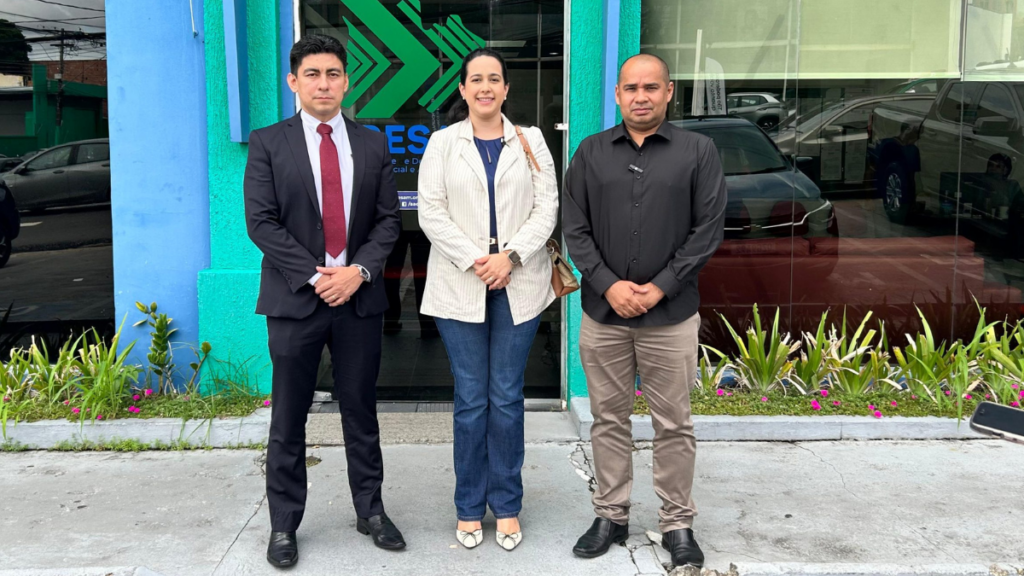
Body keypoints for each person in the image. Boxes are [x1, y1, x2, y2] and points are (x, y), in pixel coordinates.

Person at [243, 34, 404, 568]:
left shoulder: (372, 143)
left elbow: (388, 221)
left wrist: (357, 272)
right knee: (288, 418)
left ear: (347, 81)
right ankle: (284, 526)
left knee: (361, 412)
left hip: (357, 300)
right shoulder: (269, 141)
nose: (324, 83)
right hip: (297, 301)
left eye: (334, 73)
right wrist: (316, 277)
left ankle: (371, 511)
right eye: (313, 74)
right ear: (294, 81)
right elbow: (261, 222)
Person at [562, 53, 727, 569]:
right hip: (603, 316)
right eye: (631, 87)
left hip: (670, 318)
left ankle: (678, 523)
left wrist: (659, 287)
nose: (640, 96)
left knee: (673, 424)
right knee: (607, 419)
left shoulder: (698, 152)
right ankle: (610, 514)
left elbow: (708, 231)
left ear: (669, 92)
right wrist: (610, 286)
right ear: (617, 94)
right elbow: (575, 228)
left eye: (651, 87)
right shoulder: (590, 153)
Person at [417, 48, 558, 552]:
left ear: (505, 89)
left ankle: (509, 504)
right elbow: (431, 213)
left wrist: (511, 257)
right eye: (475, 79)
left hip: (519, 282)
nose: (485, 87)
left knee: (506, 396)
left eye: (494, 79)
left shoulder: (532, 140)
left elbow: (548, 208)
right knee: (471, 398)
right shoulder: (441, 143)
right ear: (462, 89)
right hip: (461, 282)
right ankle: (469, 506)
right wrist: (479, 259)